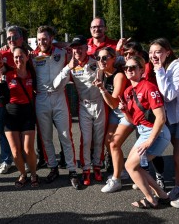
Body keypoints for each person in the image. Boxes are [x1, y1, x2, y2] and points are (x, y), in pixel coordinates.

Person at [149, 38, 179, 208]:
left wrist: (159, 70)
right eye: (151, 52)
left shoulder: (178, 66)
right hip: (173, 118)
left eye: (158, 51)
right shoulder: (162, 68)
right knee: (178, 157)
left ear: (168, 52)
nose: (154, 55)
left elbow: (168, 94)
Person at [31, 25, 81, 190]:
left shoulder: (62, 52)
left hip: (60, 98)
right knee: (46, 138)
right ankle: (53, 168)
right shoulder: (33, 55)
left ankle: (72, 171)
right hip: (42, 98)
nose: (41, 42)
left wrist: (61, 44)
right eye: (39, 39)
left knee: (65, 135)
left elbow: (74, 47)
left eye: (45, 38)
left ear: (51, 38)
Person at [53, 35, 106, 186]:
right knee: (86, 139)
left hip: (99, 104)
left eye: (80, 48)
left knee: (99, 138)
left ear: (86, 48)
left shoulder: (96, 61)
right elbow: (56, 85)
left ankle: (97, 166)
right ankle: (86, 169)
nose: (77, 51)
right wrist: (67, 68)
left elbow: (114, 61)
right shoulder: (71, 66)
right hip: (84, 106)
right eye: (74, 48)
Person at [119, 55, 171, 209]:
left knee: (130, 166)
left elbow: (161, 118)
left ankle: (151, 199)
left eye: (133, 67)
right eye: (126, 68)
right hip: (144, 131)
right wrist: (124, 111)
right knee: (136, 166)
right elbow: (133, 121)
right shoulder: (128, 91)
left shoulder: (149, 87)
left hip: (156, 132)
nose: (128, 70)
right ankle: (162, 195)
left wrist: (149, 141)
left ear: (141, 70)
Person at [92, 47, 135, 193]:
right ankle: (121, 170)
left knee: (115, 144)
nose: (101, 61)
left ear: (113, 59)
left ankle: (116, 180)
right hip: (115, 113)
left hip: (126, 112)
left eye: (105, 58)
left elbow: (114, 103)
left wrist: (102, 89)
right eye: (98, 58)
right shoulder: (102, 73)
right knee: (107, 141)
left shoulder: (119, 76)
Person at [0, 46, 39, 188]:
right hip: (10, 114)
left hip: (27, 113)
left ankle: (33, 174)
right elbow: (1, 97)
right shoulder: (7, 75)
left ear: (27, 57)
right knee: (15, 151)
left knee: (28, 149)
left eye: (21, 56)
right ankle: (22, 174)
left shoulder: (33, 74)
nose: (18, 59)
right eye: (16, 57)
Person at [0, 25, 24, 174]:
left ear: (21, 39)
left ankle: (25, 159)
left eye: (14, 37)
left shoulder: (27, 53)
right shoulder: (1, 53)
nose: (11, 40)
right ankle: (6, 160)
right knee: (3, 131)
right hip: (4, 100)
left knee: (24, 131)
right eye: (9, 38)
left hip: (22, 99)